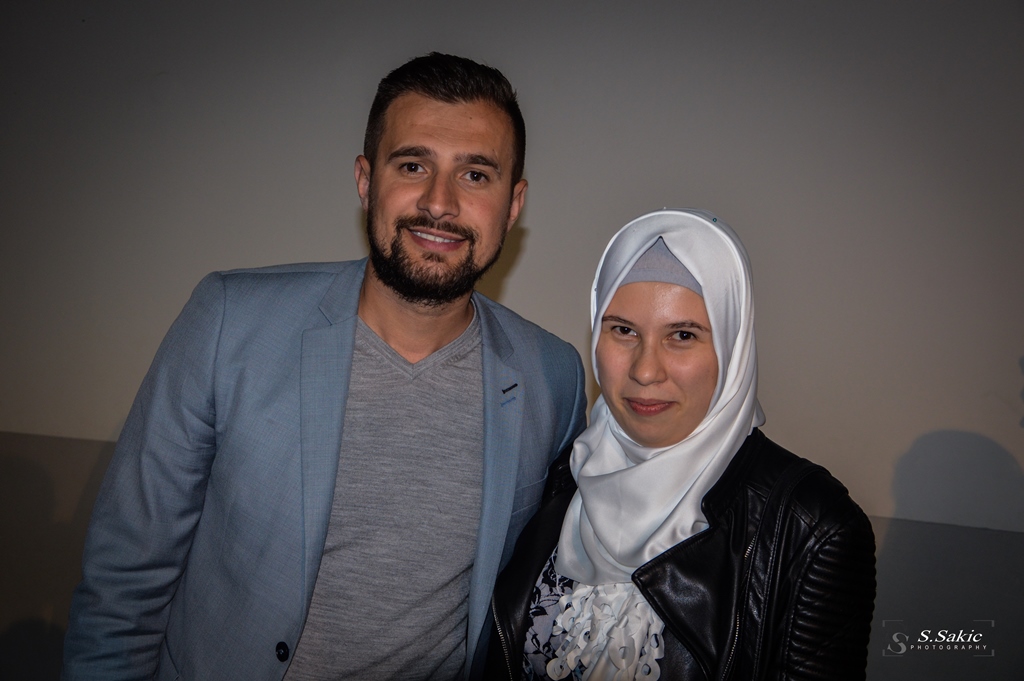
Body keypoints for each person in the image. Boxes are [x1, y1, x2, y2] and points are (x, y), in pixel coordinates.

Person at [62, 53, 587, 681]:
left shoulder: (554, 376)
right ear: (365, 181)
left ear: (513, 203)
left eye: (475, 174)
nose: (440, 202)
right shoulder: (228, 321)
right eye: (413, 165)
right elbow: (125, 580)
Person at [488, 210, 876, 680]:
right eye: (623, 330)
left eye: (683, 335)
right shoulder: (564, 474)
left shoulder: (812, 528)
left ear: (732, 349)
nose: (645, 370)